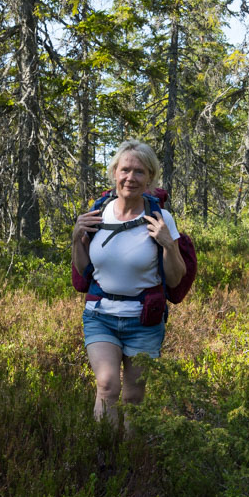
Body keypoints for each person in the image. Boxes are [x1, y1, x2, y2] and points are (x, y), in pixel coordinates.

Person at [71, 140, 186, 431]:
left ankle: (131, 459)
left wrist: (168, 245)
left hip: (144, 321)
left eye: (139, 172)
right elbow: (83, 271)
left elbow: (174, 279)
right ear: (114, 173)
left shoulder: (161, 219)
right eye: (125, 170)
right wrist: (76, 238)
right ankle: (104, 454)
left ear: (150, 178)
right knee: (107, 386)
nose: (130, 178)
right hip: (100, 316)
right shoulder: (98, 214)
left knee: (134, 396)